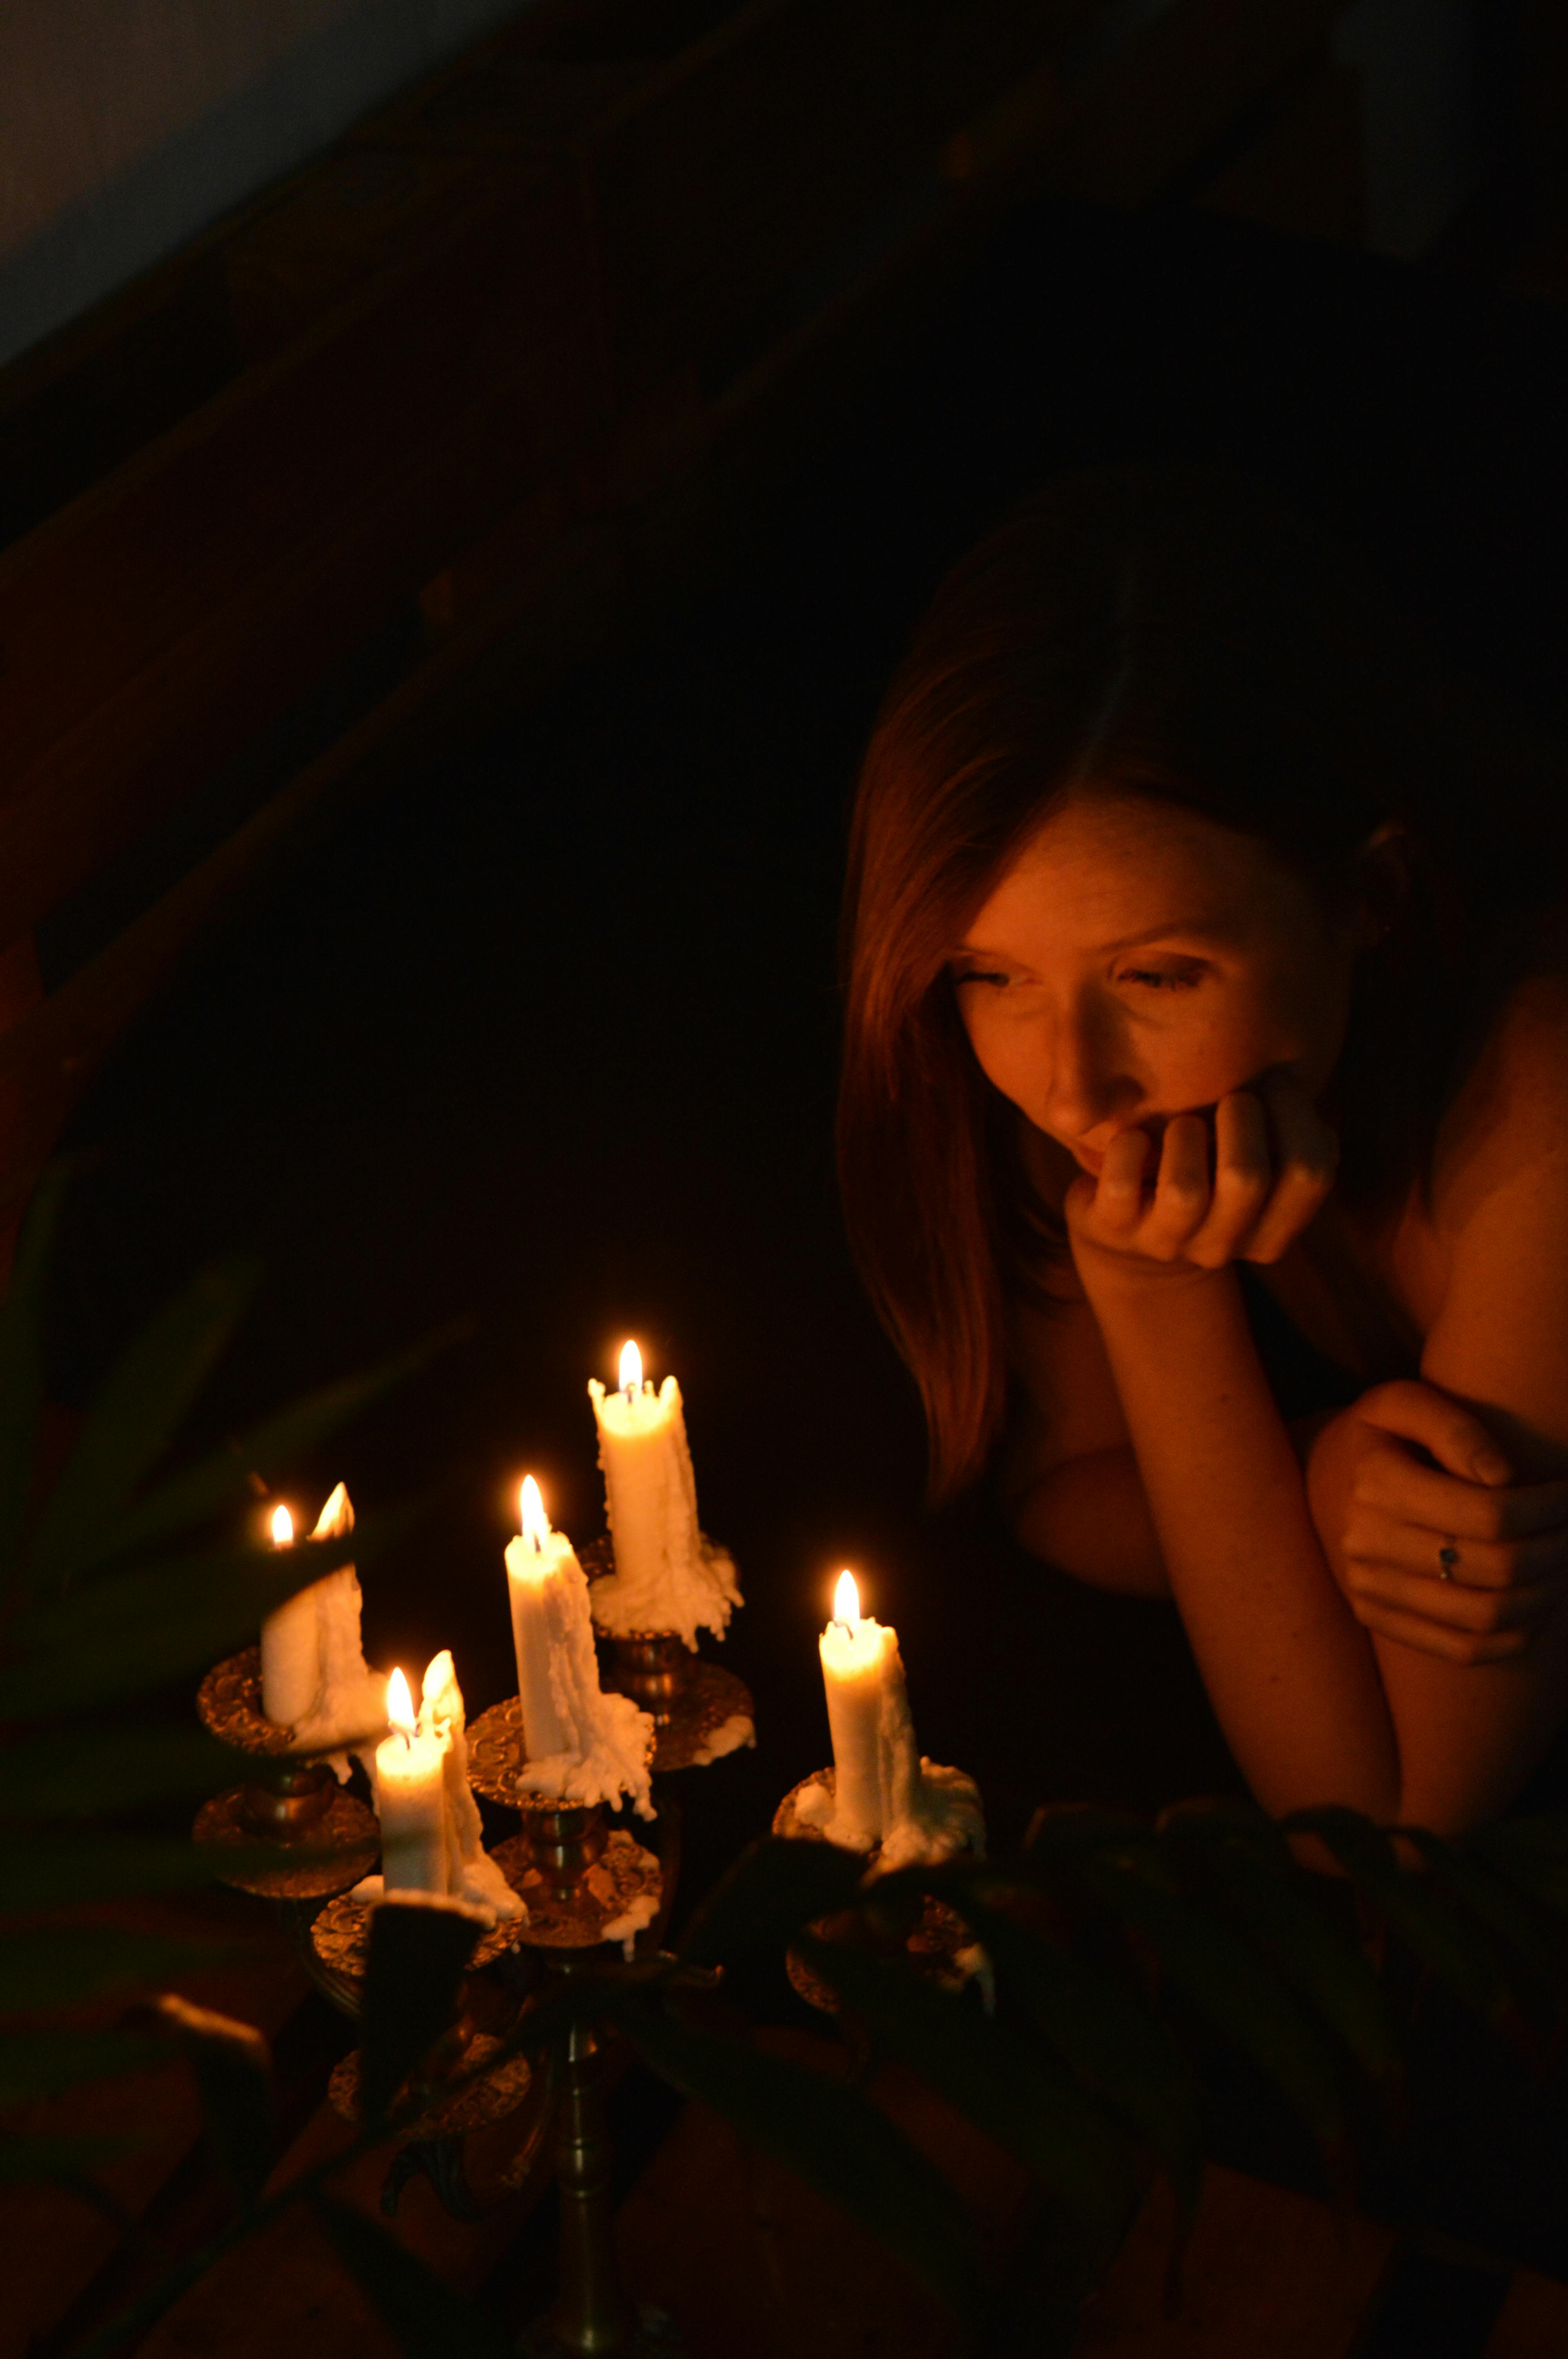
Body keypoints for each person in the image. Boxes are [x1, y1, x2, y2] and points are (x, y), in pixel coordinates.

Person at [838, 467, 1568, 1834]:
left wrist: (1162, 1309)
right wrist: (1320, 1472)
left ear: (1372, 894)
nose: (1072, 1086)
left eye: (1162, 975)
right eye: (988, 974)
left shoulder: (1539, 1117)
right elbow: (1061, 1486)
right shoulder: (1085, 1068)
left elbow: (1389, 1817)